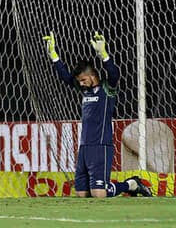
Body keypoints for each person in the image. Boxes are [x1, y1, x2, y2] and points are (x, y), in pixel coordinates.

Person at [42, 31, 152, 198]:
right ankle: (127, 185)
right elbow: (65, 77)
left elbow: (114, 74)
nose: (80, 83)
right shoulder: (85, 90)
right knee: (82, 194)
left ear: (92, 76)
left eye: (83, 80)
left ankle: (132, 184)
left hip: (101, 146)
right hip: (85, 147)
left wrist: (104, 55)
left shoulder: (107, 90)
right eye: (79, 81)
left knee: (99, 194)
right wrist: (54, 55)